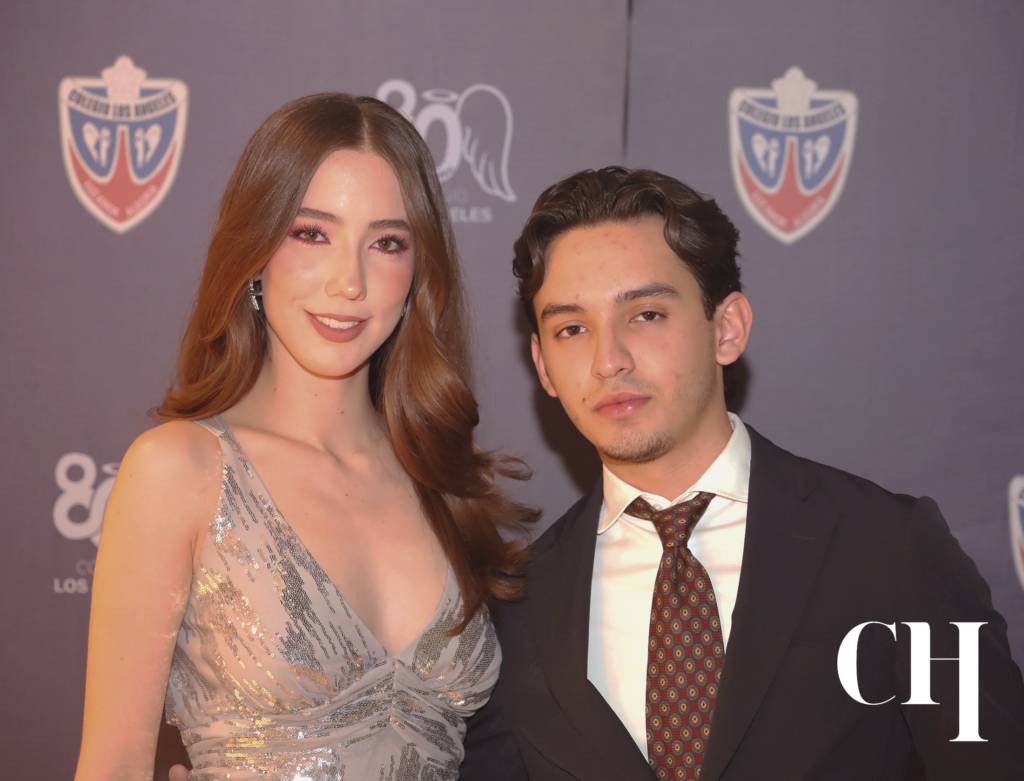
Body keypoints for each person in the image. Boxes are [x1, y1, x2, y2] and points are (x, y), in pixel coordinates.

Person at [460, 166, 1024, 780]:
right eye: (572, 329)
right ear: (543, 365)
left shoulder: (889, 549)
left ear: (726, 328)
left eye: (646, 314)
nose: (608, 360)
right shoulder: (517, 607)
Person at [74, 93, 535, 781]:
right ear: (255, 250)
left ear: (418, 272)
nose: (349, 282)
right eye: (312, 234)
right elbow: (114, 762)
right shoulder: (180, 470)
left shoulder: (444, 477)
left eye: (386, 243)